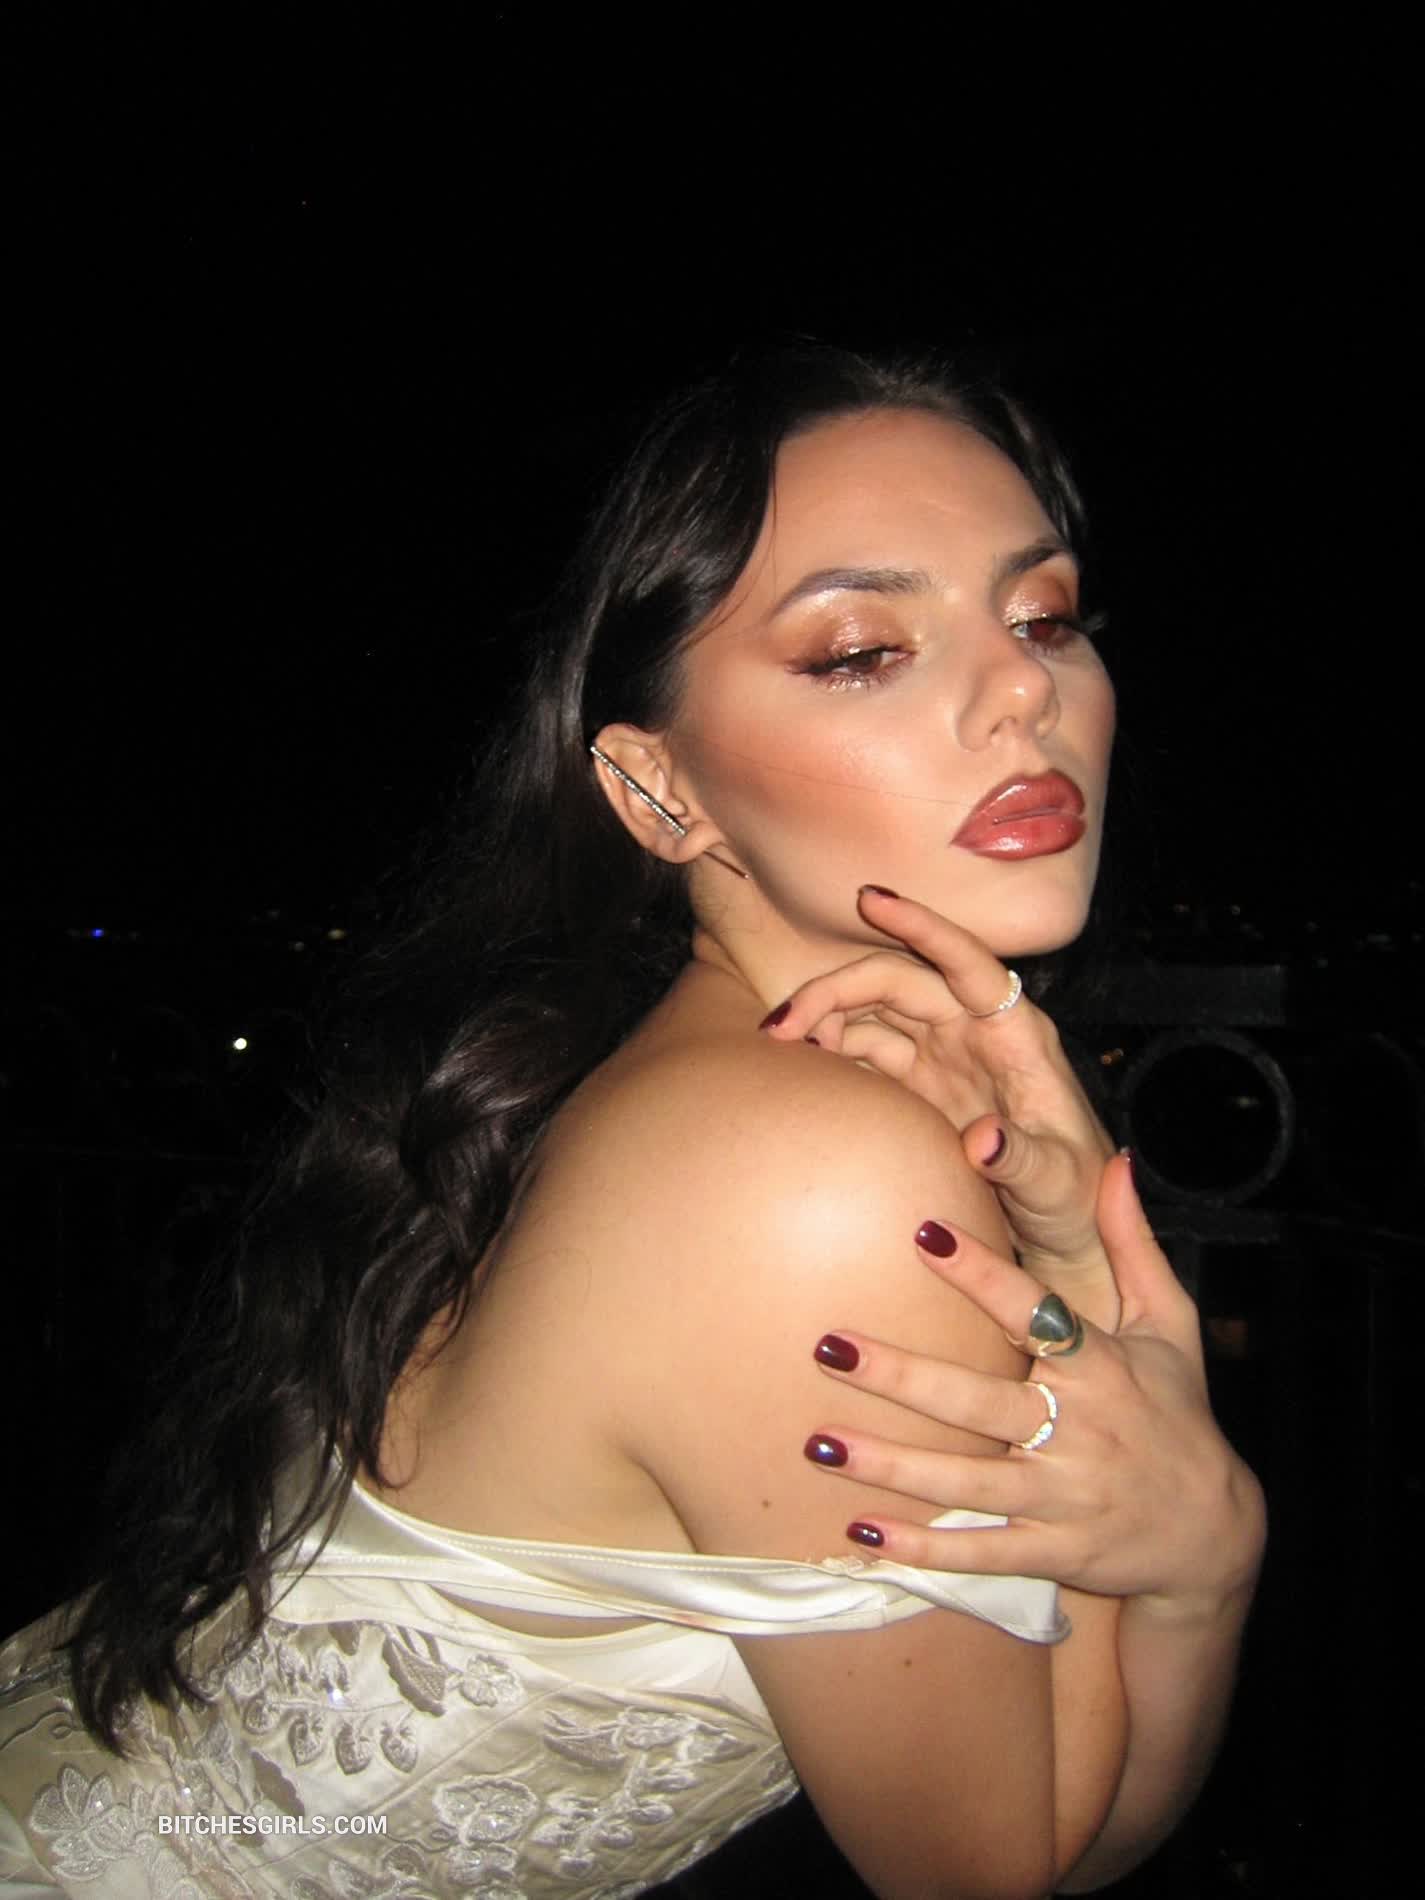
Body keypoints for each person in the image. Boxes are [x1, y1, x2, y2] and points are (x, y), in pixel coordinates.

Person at [0, 343, 1265, 1898]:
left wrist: (1075, 1268)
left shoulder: (679, 1073)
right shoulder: (801, 1171)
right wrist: (1205, 1559)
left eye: (1044, 616)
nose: (1025, 689)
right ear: (661, 792)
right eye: (861, 648)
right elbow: (999, 1868)